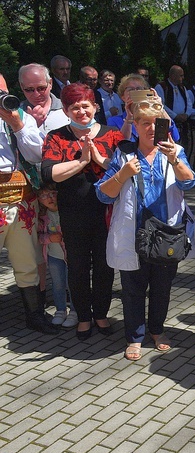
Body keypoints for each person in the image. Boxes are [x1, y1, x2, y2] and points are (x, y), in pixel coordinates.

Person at [95, 101, 195, 360]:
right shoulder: (124, 155)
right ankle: (135, 336)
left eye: (158, 123)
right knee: (133, 288)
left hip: (166, 234)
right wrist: (123, 174)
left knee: (162, 288)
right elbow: (103, 194)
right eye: (145, 123)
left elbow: (190, 183)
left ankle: (157, 330)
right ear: (136, 126)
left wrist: (175, 160)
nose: (152, 128)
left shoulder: (176, 151)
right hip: (134, 233)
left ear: (167, 126)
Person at [42, 83, 124, 340]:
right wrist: (81, 161)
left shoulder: (112, 134)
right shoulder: (57, 136)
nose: (81, 112)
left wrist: (98, 160)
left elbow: (124, 170)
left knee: (104, 265)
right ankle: (84, 317)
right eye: (74, 107)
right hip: (73, 213)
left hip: (106, 213)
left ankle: (101, 314)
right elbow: (49, 173)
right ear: (66, 110)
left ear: (95, 107)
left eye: (85, 106)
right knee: (77, 267)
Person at [0, 72, 57, 334]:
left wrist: (17, 125)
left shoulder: (20, 116)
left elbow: (37, 154)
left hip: (21, 199)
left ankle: (35, 316)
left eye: (1, 91)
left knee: (27, 262)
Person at [36, 183, 76, 328]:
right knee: (57, 284)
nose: (50, 198)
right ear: (39, 200)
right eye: (44, 196)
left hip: (70, 255)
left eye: (52, 193)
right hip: (54, 256)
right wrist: (49, 238)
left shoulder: (67, 211)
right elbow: (38, 237)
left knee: (72, 283)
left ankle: (74, 310)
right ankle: (60, 310)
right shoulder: (43, 217)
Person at [108, 73, 179, 142]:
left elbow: (174, 137)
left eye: (139, 89)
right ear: (123, 97)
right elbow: (118, 144)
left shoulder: (153, 119)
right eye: (130, 89)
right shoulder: (114, 121)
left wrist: (160, 107)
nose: (136, 92)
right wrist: (129, 119)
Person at [18, 63, 70, 135]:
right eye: (29, 89)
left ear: (50, 83)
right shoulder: (16, 115)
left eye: (41, 88)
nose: (36, 94)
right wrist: (30, 125)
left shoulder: (68, 109)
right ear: (22, 87)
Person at [155, 65, 195, 139]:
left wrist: (186, 114)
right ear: (173, 76)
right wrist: (175, 116)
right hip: (168, 123)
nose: (183, 78)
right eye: (181, 75)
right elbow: (160, 104)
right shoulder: (162, 87)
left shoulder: (182, 88)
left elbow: (189, 103)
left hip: (183, 123)